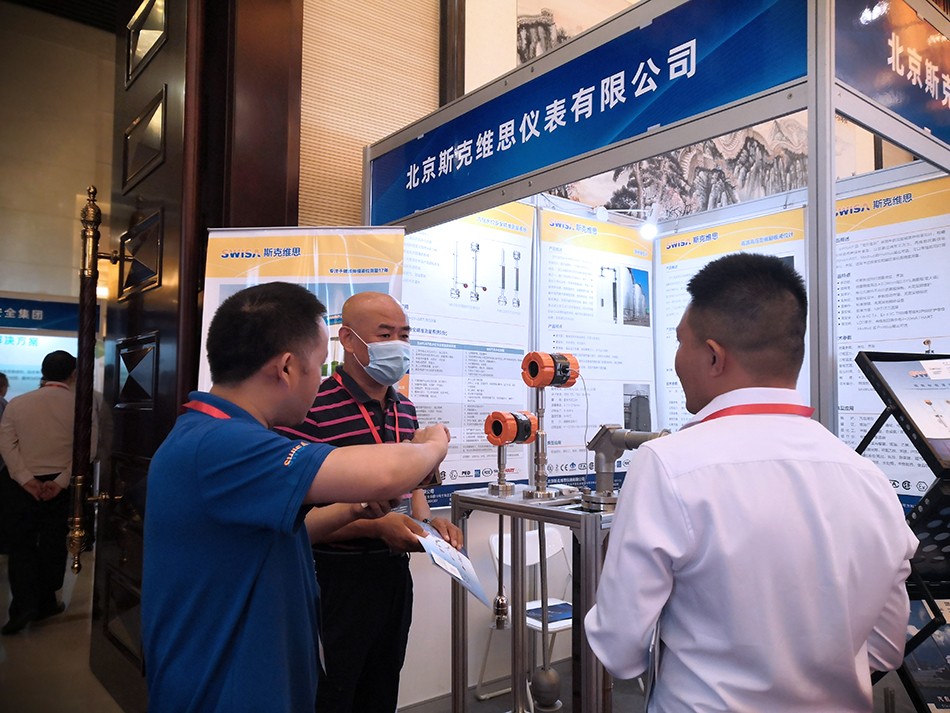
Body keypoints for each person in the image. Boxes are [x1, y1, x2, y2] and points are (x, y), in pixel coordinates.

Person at [585, 253, 918, 712]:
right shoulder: (870, 480)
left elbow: (619, 649)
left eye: (680, 342)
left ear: (713, 355)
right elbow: (885, 649)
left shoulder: (668, 465)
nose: (677, 360)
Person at [140, 282, 449, 713]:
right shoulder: (223, 444)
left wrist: (354, 510)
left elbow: (291, 534)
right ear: (287, 368)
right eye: (318, 366)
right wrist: (433, 443)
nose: (320, 380)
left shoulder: (221, 434)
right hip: (224, 688)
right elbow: (386, 474)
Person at [277, 291, 462, 713]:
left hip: (393, 576)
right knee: (330, 694)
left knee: (381, 689)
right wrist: (375, 527)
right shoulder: (311, 407)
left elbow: (413, 487)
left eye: (404, 335)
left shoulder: (405, 409)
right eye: (385, 334)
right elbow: (295, 515)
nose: (398, 344)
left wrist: (428, 528)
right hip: (333, 581)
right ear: (348, 339)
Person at [0, 351, 98, 635]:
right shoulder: (81, 406)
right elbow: (87, 450)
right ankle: (46, 602)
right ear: (74, 374)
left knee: (21, 545)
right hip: (62, 486)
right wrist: (61, 481)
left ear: (43, 373)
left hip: (22, 486)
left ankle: (22, 606)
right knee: (53, 543)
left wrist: (26, 479)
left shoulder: (17, 404)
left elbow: (7, 446)